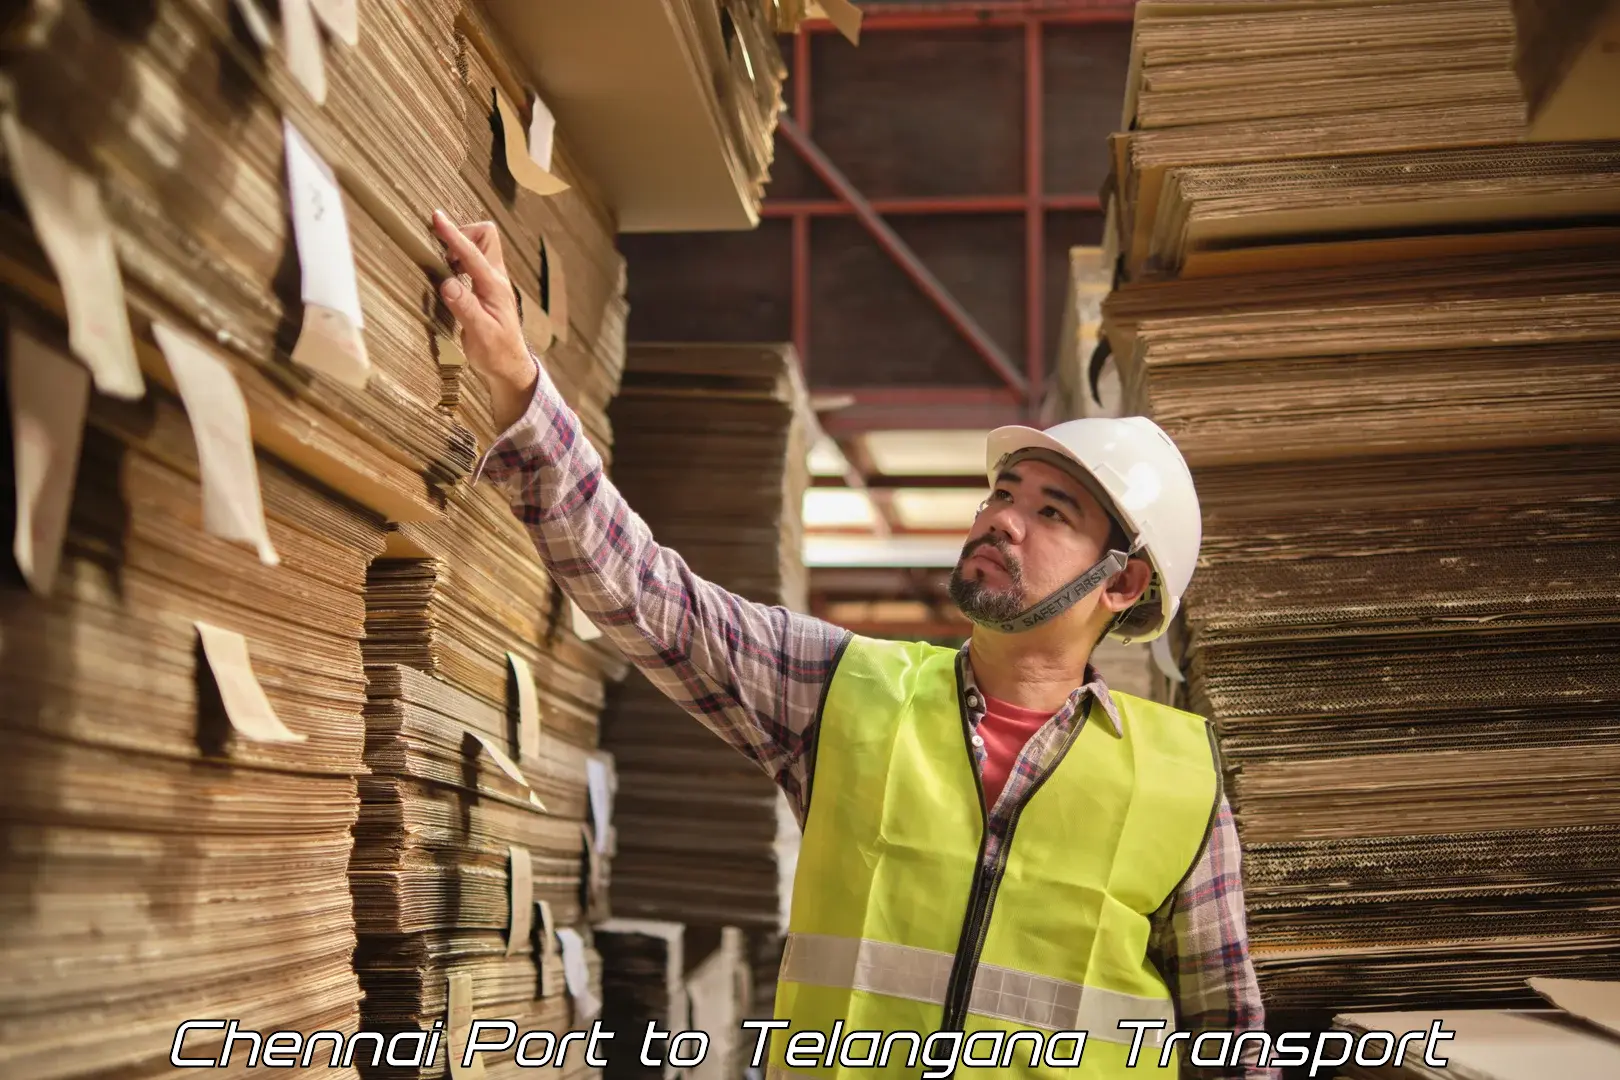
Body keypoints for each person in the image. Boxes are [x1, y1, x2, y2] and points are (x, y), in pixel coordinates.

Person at [431, 211, 1278, 1080]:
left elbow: (1232, 1043)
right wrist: (517, 383)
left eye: (1050, 513)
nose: (1001, 520)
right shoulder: (847, 690)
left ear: (1123, 585)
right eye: (1002, 494)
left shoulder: (1179, 781)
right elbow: (651, 597)